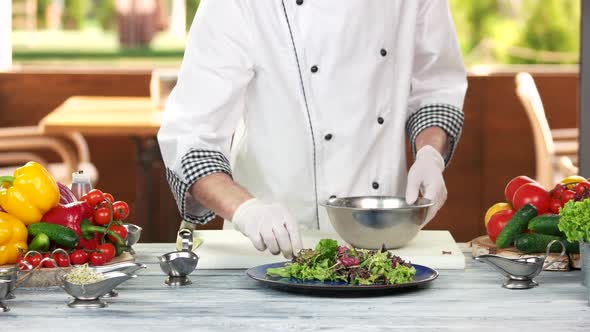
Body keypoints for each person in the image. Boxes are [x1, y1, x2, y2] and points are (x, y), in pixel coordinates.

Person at [158, 0, 467, 258]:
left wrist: (429, 155)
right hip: (272, 244)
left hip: (382, 239)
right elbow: (191, 137)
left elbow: (437, 86)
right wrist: (246, 210)